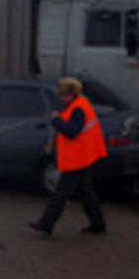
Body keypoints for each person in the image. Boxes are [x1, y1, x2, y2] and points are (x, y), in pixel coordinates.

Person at [29, 77, 108, 236]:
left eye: (64, 95)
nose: (61, 98)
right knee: (86, 193)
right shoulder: (80, 106)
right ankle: (98, 224)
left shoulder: (78, 109)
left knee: (61, 195)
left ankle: (46, 224)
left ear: (72, 94)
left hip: (77, 159)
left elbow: (71, 132)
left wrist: (56, 120)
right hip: (83, 157)